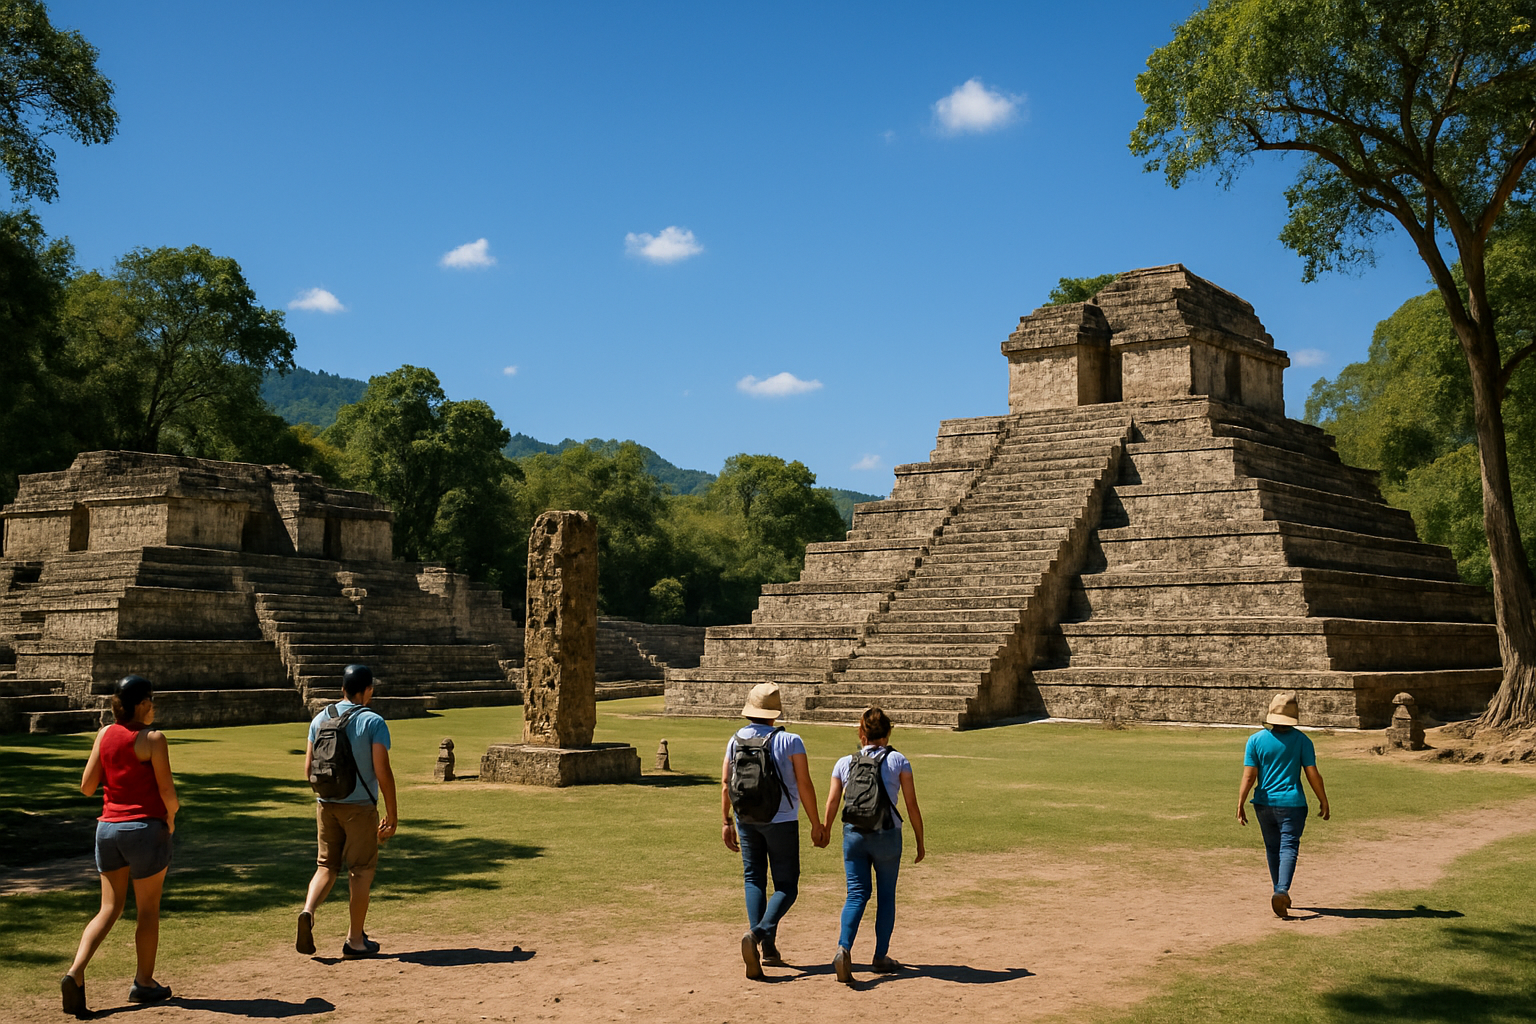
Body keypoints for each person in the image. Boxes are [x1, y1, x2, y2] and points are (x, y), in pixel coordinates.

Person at [62, 675, 180, 1016]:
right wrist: (171, 818)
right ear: (141, 705)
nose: (154, 707)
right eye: (151, 701)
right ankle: (144, 982)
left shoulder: (104, 734)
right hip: (145, 829)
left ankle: (76, 971)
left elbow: (87, 787)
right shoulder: (153, 739)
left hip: (107, 830)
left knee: (109, 908)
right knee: (147, 910)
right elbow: (167, 793)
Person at [721, 682, 829, 980]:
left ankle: (766, 950)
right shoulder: (790, 741)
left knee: (754, 878)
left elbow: (726, 782)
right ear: (774, 712)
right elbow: (804, 784)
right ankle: (759, 935)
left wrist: (726, 821)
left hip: (746, 818)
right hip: (781, 820)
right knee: (786, 885)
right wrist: (816, 823)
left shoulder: (735, 739)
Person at [297, 664, 398, 958]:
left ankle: (308, 910)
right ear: (368, 691)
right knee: (361, 870)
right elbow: (383, 771)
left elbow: (308, 770)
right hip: (360, 807)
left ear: (342, 688)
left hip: (326, 805)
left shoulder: (319, 719)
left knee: (326, 866)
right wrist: (391, 815)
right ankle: (355, 939)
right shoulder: (373, 721)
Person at [822, 706, 925, 983]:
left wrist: (825, 829)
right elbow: (912, 805)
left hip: (854, 834)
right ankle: (880, 956)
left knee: (856, 894)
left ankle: (844, 948)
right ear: (888, 732)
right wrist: (919, 839)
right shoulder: (899, 761)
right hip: (888, 835)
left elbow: (833, 801)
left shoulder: (845, 762)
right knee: (886, 896)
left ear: (861, 732)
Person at [1237, 690, 1330, 918]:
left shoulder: (1255, 740)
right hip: (1293, 804)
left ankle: (1278, 889)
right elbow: (1312, 774)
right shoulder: (1302, 741)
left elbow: (1249, 776)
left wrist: (1240, 803)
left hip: (1263, 803)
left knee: (1272, 848)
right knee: (1288, 847)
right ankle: (1281, 890)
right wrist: (1323, 800)